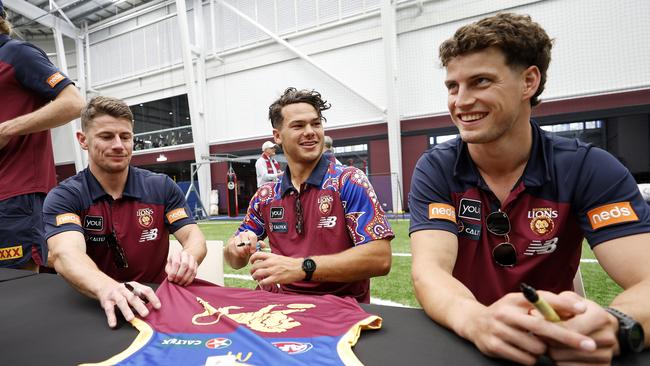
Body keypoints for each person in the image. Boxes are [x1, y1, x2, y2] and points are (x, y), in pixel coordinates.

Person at [409, 13, 650, 365]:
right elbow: (429, 271)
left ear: (529, 82)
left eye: (480, 81)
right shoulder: (437, 167)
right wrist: (477, 321)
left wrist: (617, 324)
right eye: (452, 86)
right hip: (463, 339)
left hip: (552, 343)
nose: (460, 101)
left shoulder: (588, 167)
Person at [43, 96, 207, 328]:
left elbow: (193, 236)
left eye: (126, 136)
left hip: (155, 303)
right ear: (83, 140)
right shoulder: (65, 196)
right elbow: (66, 254)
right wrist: (108, 287)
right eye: (106, 136)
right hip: (94, 304)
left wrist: (189, 255)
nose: (118, 145)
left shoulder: (161, 187)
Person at [224, 87, 393, 303]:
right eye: (298, 126)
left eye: (316, 123)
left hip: (340, 310)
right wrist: (237, 248)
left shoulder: (349, 181)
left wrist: (303, 268)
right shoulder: (266, 195)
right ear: (277, 136)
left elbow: (380, 259)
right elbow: (233, 260)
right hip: (281, 308)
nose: (311, 131)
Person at [0, 1, 85, 271]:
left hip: (15, 195)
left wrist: (6, 129)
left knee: (17, 289)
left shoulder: (15, 53)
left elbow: (73, 103)